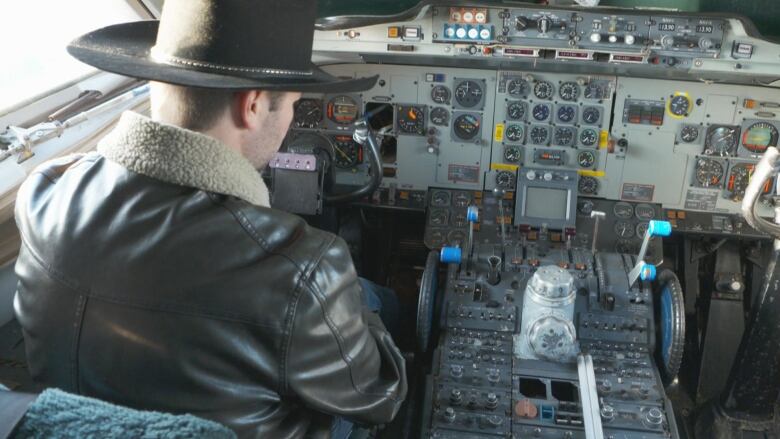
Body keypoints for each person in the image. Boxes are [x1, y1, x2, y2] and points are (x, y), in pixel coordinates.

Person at [12, 0, 407, 438]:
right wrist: (352, 303)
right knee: (374, 300)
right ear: (253, 105)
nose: (293, 119)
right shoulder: (305, 269)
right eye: (295, 103)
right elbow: (378, 398)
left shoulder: (44, 189)